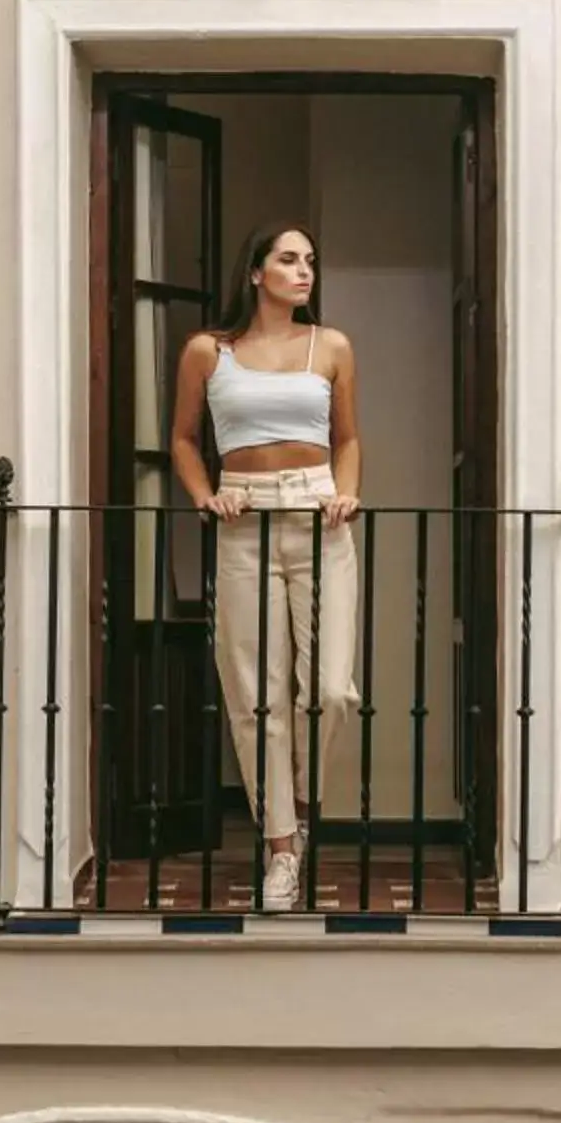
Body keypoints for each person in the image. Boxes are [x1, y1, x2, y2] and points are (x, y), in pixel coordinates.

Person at [169, 222, 362, 910]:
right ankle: (282, 849)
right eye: (287, 259)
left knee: (332, 689)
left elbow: (346, 438)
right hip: (243, 516)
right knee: (257, 695)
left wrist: (346, 490)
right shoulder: (208, 351)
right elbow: (185, 441)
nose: (303, 270)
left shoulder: (330, 346)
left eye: (310, 259)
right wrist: (204, 495)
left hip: (317, 514)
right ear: (255, 272)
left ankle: (302, 802)